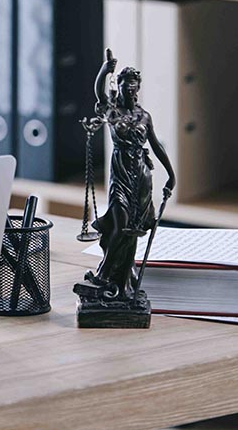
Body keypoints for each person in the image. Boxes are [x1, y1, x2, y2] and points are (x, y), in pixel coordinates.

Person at [84, 48, 175, 299]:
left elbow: (156, 146)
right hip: (121, 174)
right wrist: (106, 69)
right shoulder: (114, 112)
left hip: (142, 177)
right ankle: (104, 274)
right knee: (121, 223)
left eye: (135, 89)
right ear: (121, 88)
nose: (131, 93)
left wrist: (171, 174)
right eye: (127, 89)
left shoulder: (144, 116)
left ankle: (122, 280)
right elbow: (99, 93)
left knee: (133, 229)